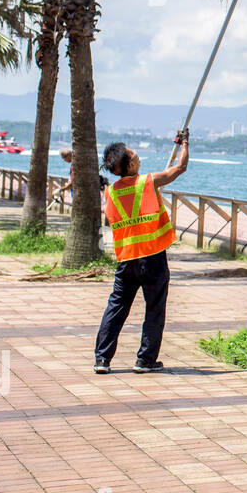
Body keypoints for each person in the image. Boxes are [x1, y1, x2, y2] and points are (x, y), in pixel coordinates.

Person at [93, 129, 189, 374]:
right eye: (133, 153)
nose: (137, 155)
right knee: (154, 308)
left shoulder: (111, 191)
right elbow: (179, 169)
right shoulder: (147, 182)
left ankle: (102, 359)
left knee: (116, 308)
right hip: (152, 257)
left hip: (126, 259)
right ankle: (145, 360)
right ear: (129, 163)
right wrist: (185, 143)